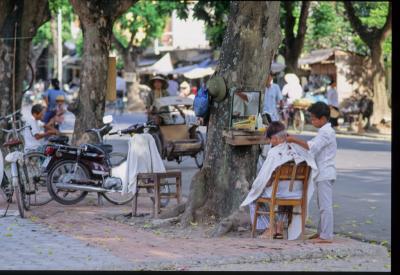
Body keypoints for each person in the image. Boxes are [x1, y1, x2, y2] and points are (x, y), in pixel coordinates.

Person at [241, 121, 318, 240]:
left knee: (254, 197)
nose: (270, 141)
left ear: (275, 138)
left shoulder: (274, 153)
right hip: (297, 192)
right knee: (285, 195)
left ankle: (269, 228)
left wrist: (257, 187)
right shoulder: (298, 150)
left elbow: (266, 179)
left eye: (270, 139)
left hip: (278, 192)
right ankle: (279, 227)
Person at [286, 102, 337, 243]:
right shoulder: (323, 132)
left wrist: (294, 139)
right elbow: (310, 147)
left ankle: (326, 236)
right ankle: (322, 232)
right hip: (322, 173)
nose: (312, 121)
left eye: (314, 119)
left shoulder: (327, 133)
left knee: (325, 206)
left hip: (325, 173)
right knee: (322, 204)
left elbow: (311, 146)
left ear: (323, 119)